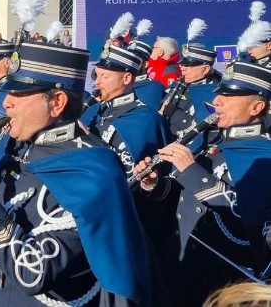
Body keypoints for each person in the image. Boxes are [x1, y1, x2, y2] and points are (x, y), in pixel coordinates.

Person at [0, 41, 151, 306]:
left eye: (19, 93)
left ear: (57, 102)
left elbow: (31, 273)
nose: (6, 103)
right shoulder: (14, 148)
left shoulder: (89, 171)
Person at [133, 60, 271, 305]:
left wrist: (193, 172)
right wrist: (154, 185)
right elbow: (182, 198)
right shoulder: (213, 140)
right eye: (219, 94)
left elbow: (249, 222)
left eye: (229, 96)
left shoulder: (263, 155)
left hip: (222, 282)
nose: (216, 101)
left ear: (256, 107)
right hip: (179, 266)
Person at [85, 44, 171, 178]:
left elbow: (132, 173)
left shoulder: (146, 119)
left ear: (126, 78)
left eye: (104, 76)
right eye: (97, 75)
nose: (97, 82)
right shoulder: (92, 111)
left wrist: (89, 138)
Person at [162, 43, 222, 141]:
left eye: (188, 65)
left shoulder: (214, 91)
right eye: (182, 64)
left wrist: (173, 112)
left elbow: (202, 126)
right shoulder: (179, 83)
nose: (182, 67)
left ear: (205, 69)